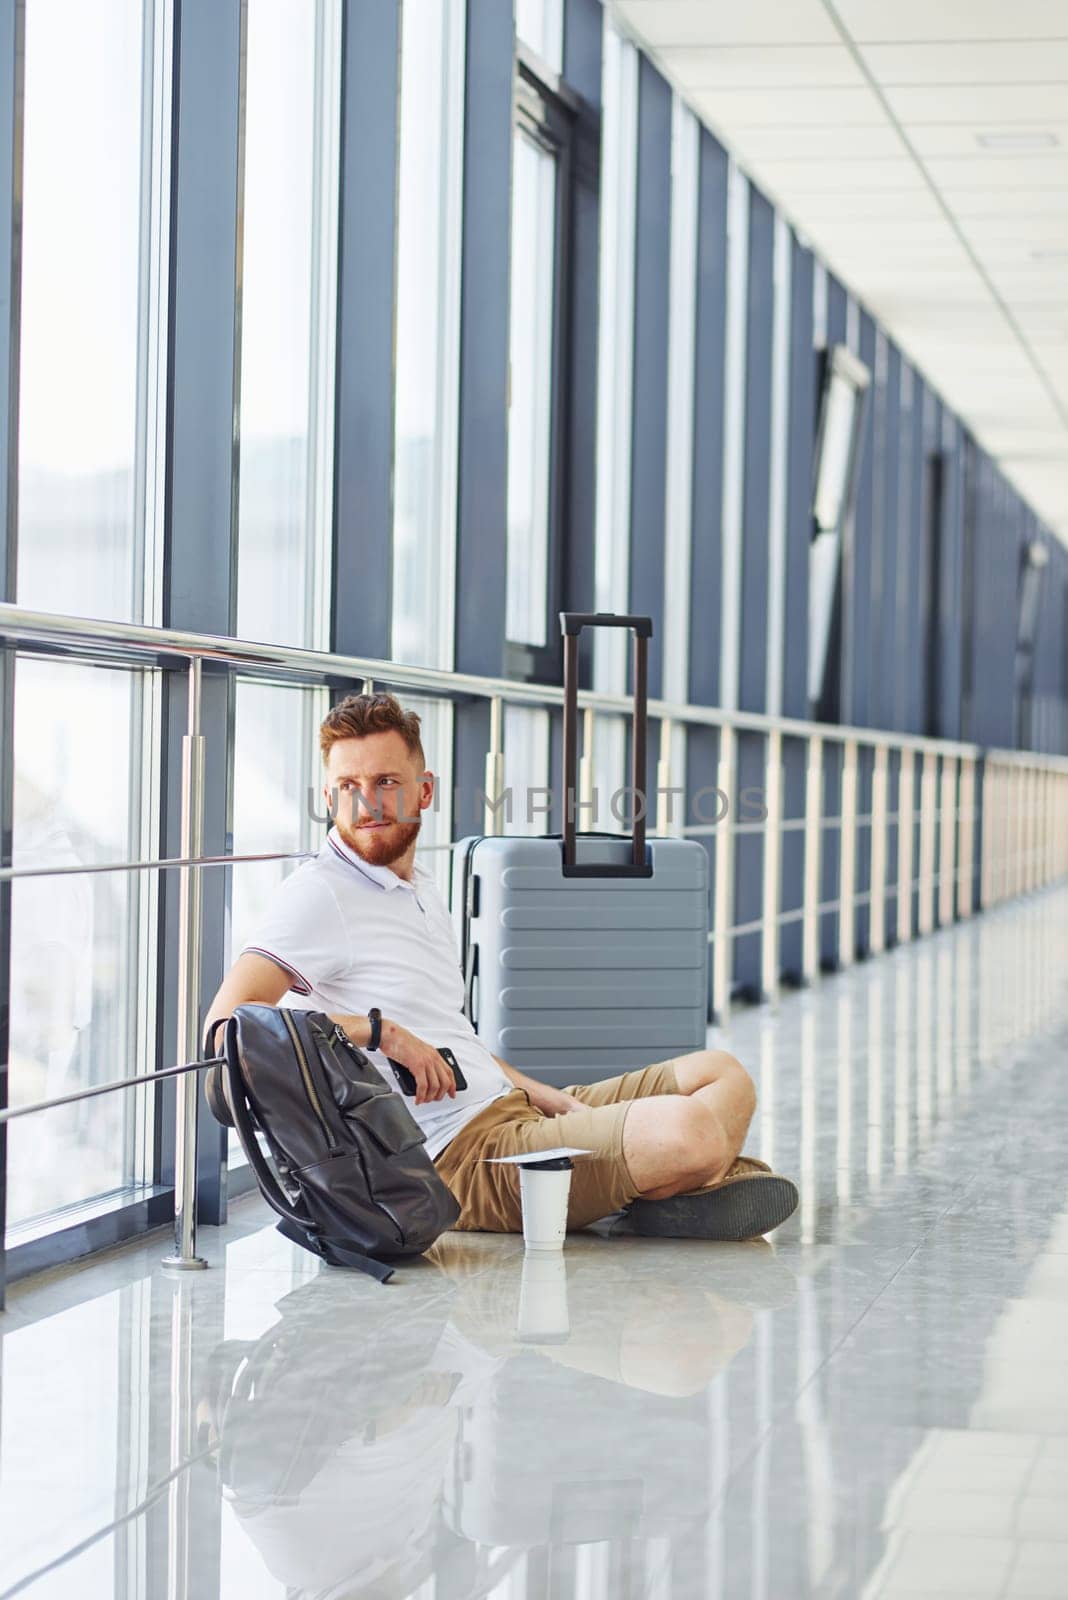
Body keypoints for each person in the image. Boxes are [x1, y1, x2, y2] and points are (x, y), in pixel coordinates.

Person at [205, 693, 799, 1240]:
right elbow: (227, 1031)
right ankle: (671, 1179)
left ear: (424, 792)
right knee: (689, 1131)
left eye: (386, 781)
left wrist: (546, 1096)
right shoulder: (319, 894)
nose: (367, 803)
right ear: (330, 795)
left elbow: (453, 1035)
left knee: (723, 1074)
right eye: (347, 786)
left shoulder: (417, 888)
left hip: (509, 1111)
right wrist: (381, 1033)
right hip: (457, 1160)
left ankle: (653, 1190)